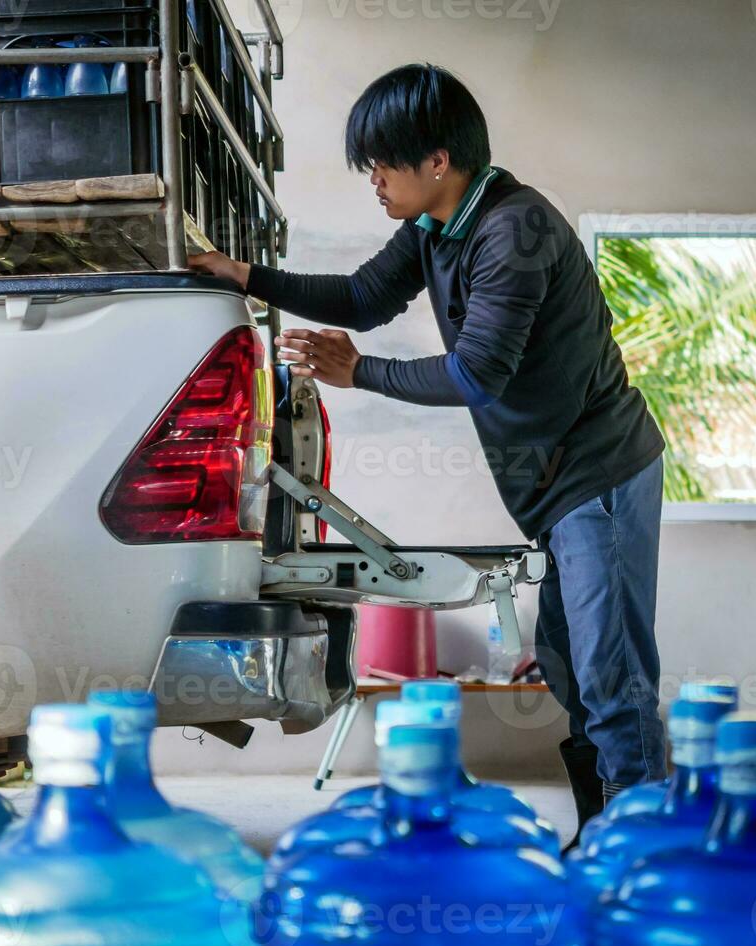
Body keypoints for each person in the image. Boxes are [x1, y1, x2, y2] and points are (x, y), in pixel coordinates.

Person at [189, 63, 665, 844]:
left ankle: (651, 849)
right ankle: (606, 836)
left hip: (599, 473)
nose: (373, 181)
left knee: (609, 671)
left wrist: (358, 373)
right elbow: (362, 299)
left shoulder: (514, 232)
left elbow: (477, 373)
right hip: (553, 487)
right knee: (571, 661)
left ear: (437, 161)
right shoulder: (436, 227)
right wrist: (244, 275)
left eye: (383, 164)